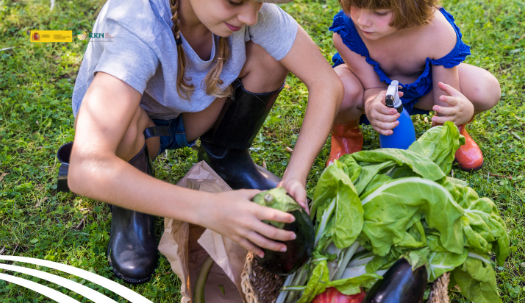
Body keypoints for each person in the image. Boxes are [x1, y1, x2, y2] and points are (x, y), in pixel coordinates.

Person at [63, 0, 342, 284]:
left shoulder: (250, 13)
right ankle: (131, 209)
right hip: (136, 133)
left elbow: (327, 83)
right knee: (122, 128)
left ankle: (225, 159)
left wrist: (295, 175)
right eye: (235, 1)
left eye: (259, 2)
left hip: (194, 115)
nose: (248, 16)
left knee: (268, 57)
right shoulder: (134, 23)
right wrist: (208, 209)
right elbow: (85, 168)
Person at [326, 0, 501, 171]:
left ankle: (457, 134)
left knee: (484, 88)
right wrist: (372, 103)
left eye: (380, 13)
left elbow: (446, 96)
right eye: (356, 5)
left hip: (426, 90)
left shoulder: (438, 31)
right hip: (369, 88)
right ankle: (345, 135)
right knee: (337, 88)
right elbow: (373, 87)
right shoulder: (347, 31)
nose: (362, 21)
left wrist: (459, 114)